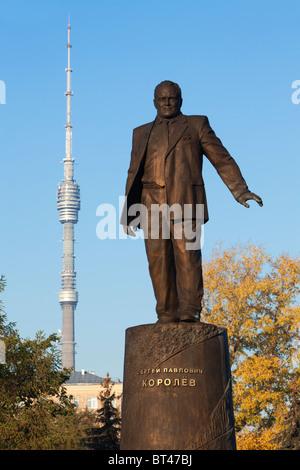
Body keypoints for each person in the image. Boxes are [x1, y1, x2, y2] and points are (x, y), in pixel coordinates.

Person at [121, 80, 263, 324]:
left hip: (186, 203)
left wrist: (240, 190)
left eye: (172, 98)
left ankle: (189, 311)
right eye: (162, 98)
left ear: (181, 100)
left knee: (188, 257)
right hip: (151, 204)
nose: (167, 102)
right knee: (158, 261)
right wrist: (130, 212)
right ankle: (165, 313)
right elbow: (133, 172)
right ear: (154, 102)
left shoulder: (197, 125)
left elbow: (222, 158)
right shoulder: (140, 132)